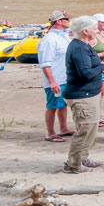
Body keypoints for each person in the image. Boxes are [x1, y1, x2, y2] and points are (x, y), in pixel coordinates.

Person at [61, 15, 104, 172]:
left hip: (89, 94)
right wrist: (103, 66)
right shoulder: (79, 47)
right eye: (95, 28)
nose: (97, 31)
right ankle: (73, 164)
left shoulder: (84, 45)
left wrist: (102, 66)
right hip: (82, 95)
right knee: (84, 130)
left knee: (91, 129)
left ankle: (82, 158)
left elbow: (90, 66)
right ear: (85, 31)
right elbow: (85, 73)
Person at [37, 11, 73, 142]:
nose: (69, 21)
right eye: (66, 19)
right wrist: (51, 81)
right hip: (55, 78)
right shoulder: (49, 39)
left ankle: (63, 128)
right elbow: (45, 63)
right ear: (59, 21)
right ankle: (50, 132)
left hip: (65, 77)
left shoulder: (64, 36)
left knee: (63, 104)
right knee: (52, 105)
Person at [91, 13, 104, 128]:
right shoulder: (92, 37)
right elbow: (86, 54)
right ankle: (95, 118)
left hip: (103, 67)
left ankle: (97, 117)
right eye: (103, 22)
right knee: (99, 91)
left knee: (103, 91)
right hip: (96, 67)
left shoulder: (102, 34)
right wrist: (102, 54)